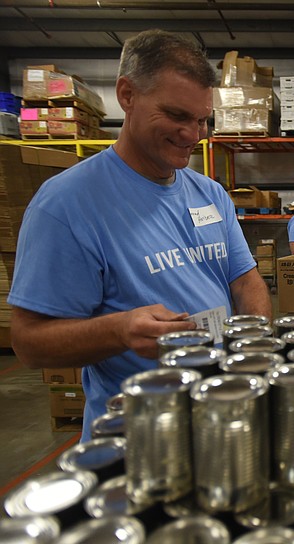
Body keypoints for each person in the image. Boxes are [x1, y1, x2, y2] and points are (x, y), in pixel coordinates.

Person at [8, 29, 271, 441]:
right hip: (139, 436)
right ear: (127, 95)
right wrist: (118, 330)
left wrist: (251, 347)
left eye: (202, 120)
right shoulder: (67, 204)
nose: (194, 134)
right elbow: (28, 341)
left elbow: (245, 280)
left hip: (220, 418)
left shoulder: (211, 194)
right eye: (177, 116)